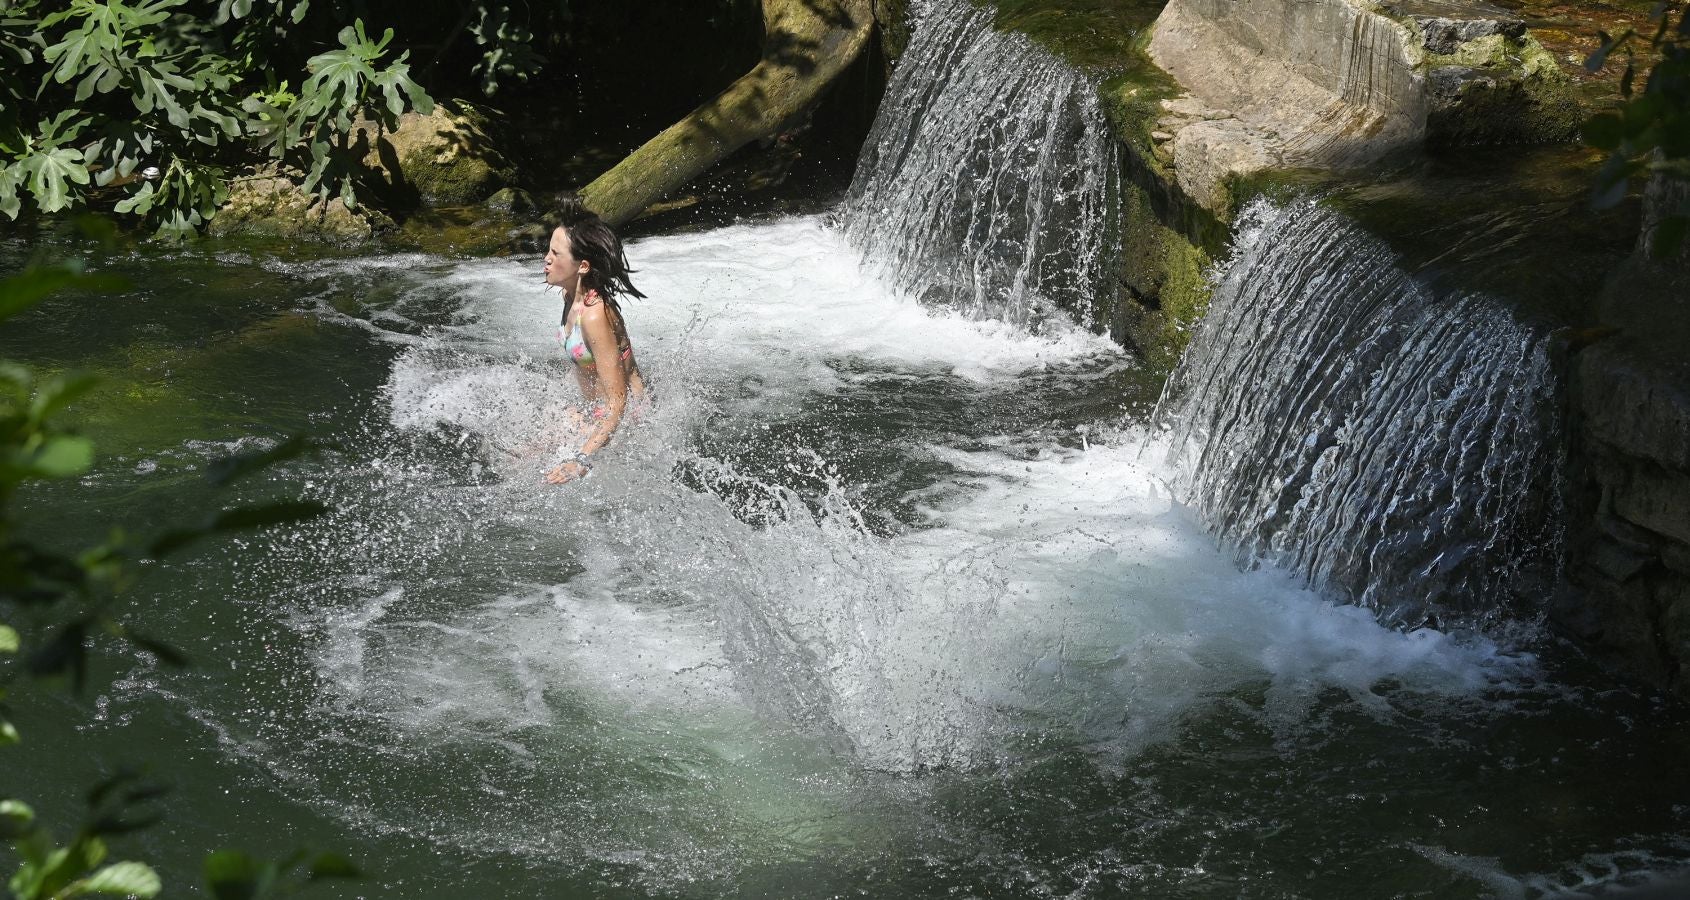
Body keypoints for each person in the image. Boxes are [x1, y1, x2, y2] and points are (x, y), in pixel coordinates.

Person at [541, 198, 648, 484]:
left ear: (583, 266)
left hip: (626, 421)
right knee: (523, 454)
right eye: (548, 250)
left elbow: (618, 401)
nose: (546, 258)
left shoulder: (593, 315)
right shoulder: (569, 296)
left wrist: (581, 459)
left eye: (555, 253)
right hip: (594, 412)